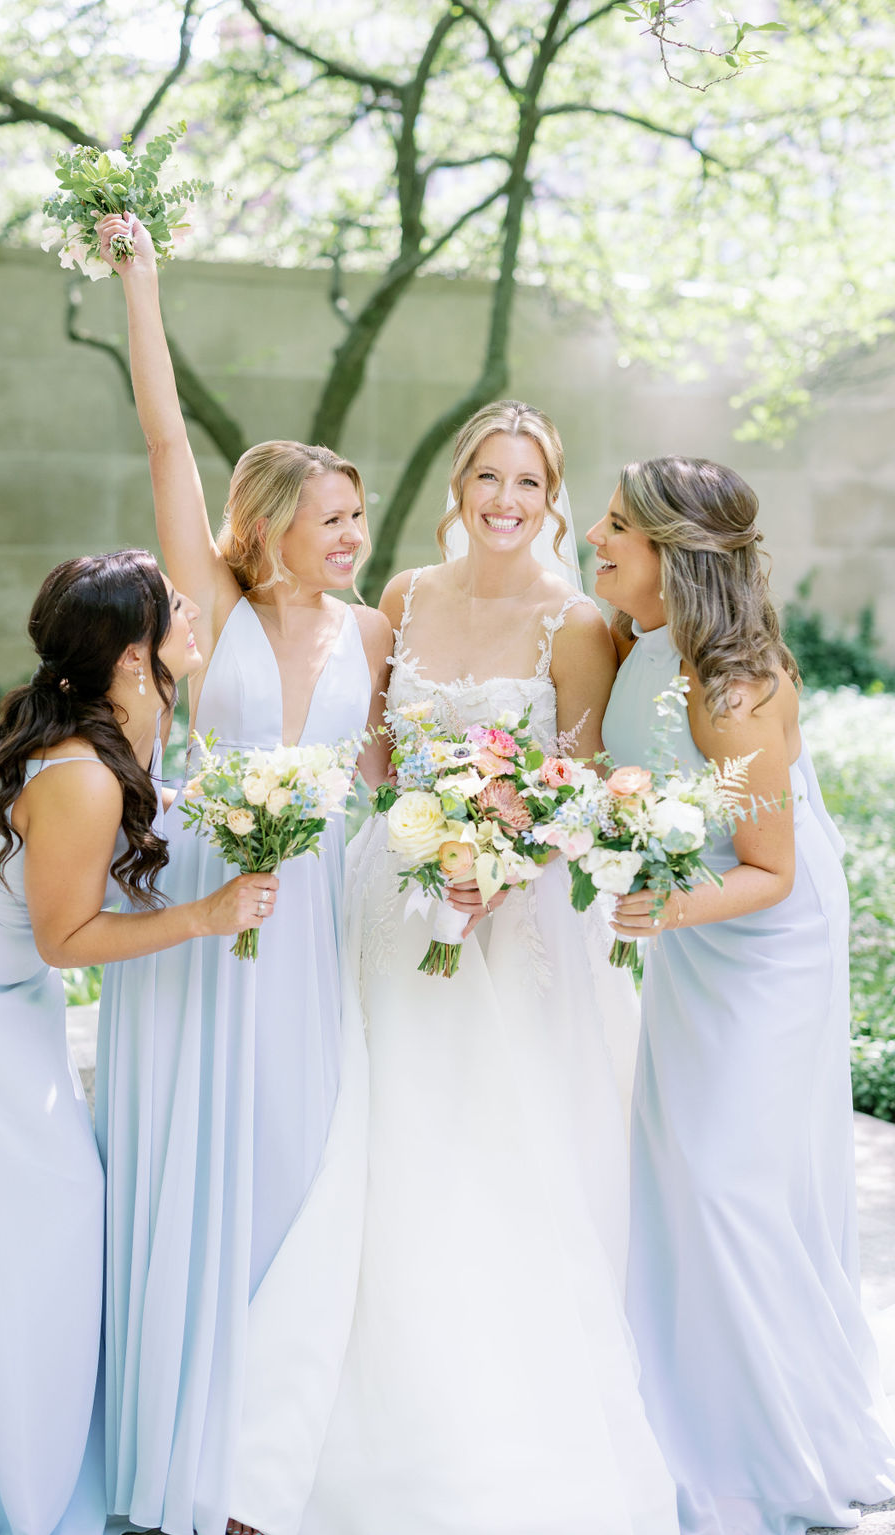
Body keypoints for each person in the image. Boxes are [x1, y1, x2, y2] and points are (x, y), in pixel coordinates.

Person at [297, 400, 679, 1535]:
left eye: (528, 482)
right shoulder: (404, 596)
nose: (505, 501)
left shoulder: (574, 621)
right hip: (391, 889)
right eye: (488, 477)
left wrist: (499, 858)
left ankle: (497, 1409)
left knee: (494, 1144)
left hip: (513, 924)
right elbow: (372, 751)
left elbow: (586, 786)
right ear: (458, 483)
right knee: (380, 1134)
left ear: (551, 497)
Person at [0, 550, 275, 1535]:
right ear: (133, 655)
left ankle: (8, 1445)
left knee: (31, 1213)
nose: (194, 605)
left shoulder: (131, 714)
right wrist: (208, 912)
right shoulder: (83, 773)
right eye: (172, 605)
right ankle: (2, 1474)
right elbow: (68, 937)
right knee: (40, 1212)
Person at [93, 213, 392, 1535]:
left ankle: (264, 1458)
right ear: (271, 523)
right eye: (333, 517)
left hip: (315, 925)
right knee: (189, 1169)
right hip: (198, 910)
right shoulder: (204, 596)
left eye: (360, 516)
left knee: (298, 1162)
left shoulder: (379, 630)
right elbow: (165, 437)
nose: (352, 535)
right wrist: (140, 283)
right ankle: (180, 1451)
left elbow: (394, 779)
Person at [589, 457, 895, 1535]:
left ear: (672, 550)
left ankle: (781, 1451)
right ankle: (694, 1425)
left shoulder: (736, 683)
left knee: (728, 1181)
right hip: (696, 922)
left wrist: (655, 908)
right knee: (678, 1173)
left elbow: (769, 868)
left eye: (616, 525)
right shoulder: (633, 644)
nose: (594, 536)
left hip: (762, 940)